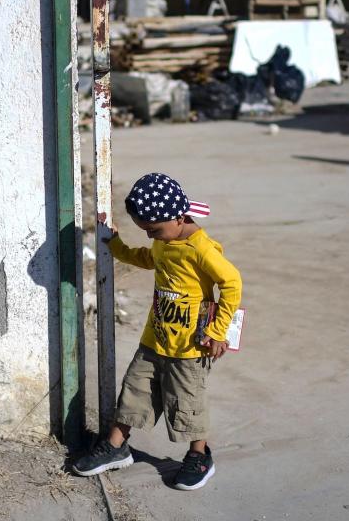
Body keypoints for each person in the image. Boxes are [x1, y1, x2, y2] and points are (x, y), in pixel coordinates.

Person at [73, 173, 241, 491]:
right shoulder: (166, 242)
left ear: (178, 218)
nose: (153, 237)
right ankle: (116, 446)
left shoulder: (201, 249)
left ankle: (199, 455)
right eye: (147, 232)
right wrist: (116, 244)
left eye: (154, 230)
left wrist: (219, 331)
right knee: (134, 391)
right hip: (156, 339)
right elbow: (147, 258)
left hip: (190, 348)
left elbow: (232, 282)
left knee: (187, 403)